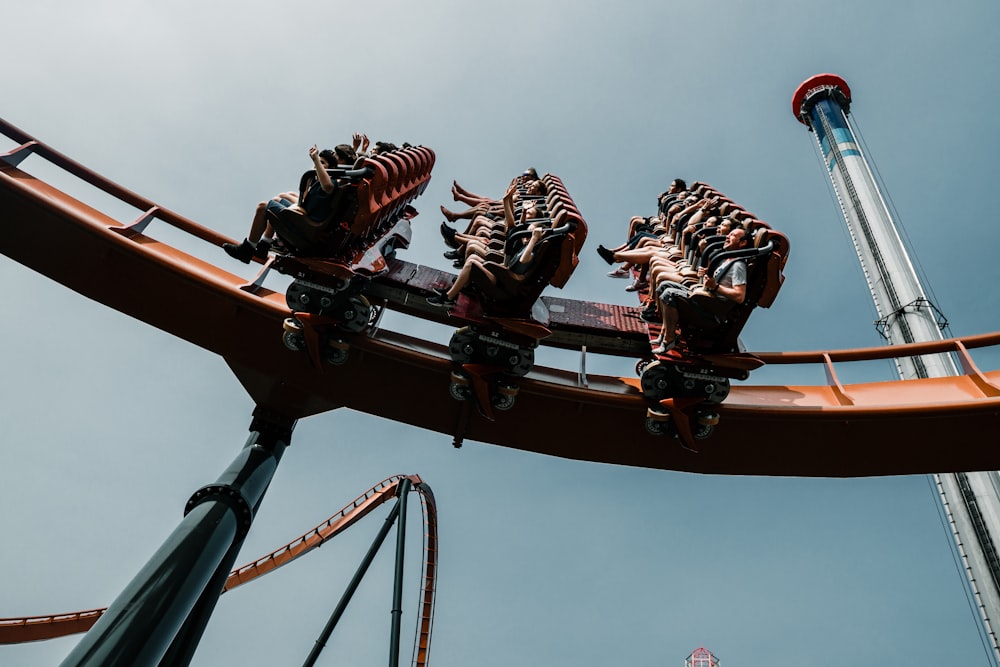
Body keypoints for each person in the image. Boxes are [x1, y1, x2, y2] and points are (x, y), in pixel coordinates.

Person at [223, 144, 355, 262]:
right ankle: (264, 244)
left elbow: (328, 187)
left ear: (330, 168)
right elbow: (305, 202)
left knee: (263, 206)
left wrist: (316, 159)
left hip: (308, 224)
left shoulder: (330, 182)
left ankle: (247, 249)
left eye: (322, 163)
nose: (317, 165)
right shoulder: (316, 181)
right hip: (304, 217)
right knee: (277, 201)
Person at [651, 227, 751, 354]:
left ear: (742, 243)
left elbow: (740, 296)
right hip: (705, 300)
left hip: (711, 310)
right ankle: (664, 332)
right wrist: (706, 274)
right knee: (663, 286)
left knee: (669, 294)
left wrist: (715, 286)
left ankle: (669, 340)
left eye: (732, 235)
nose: (727, 237)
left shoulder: (738, 266)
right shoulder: (726, 259)